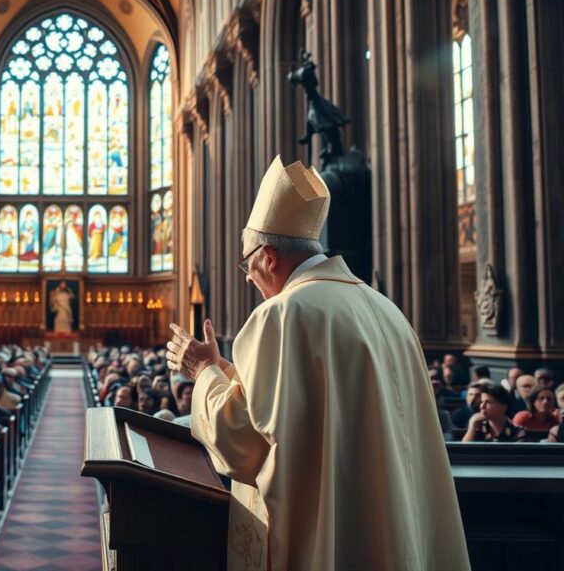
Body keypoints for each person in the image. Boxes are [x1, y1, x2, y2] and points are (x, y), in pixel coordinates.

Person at [165, 155, 468, 569]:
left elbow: (244, 444)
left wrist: (203, 373)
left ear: (269, 257)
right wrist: (226, 372)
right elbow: (299, 406)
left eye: (247, 263)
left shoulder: (282, 315)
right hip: (397, 528)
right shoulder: (386, 310)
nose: (247, 276)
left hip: (331, 541)